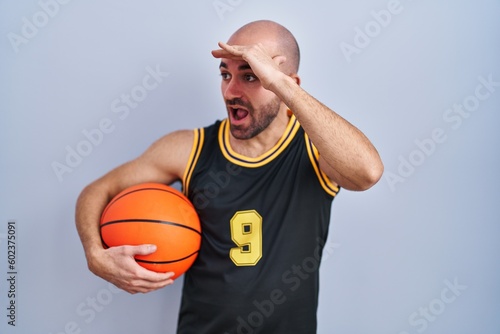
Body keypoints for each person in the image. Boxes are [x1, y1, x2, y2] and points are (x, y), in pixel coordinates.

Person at [75, 20, 384, 333]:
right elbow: (98, 190)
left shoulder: (315, 150)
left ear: (287, 83)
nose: (231, 91)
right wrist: (94, 253)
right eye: (225, 74)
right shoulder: (189, 148)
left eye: (250, 76)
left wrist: (283, 86)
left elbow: (367, 173)